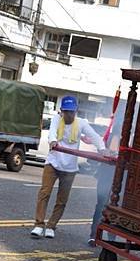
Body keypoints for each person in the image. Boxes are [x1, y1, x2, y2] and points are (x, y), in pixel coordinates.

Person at [31, 96, 106, 239]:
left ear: (76, 111)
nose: (69, 115)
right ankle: (39, 224)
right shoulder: (56, 119)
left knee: (62, 199)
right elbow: (52, 132)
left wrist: (101, 149)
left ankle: (51, 226)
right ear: (61, 111)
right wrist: (53, 141)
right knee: (44, 193)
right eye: (66, 112)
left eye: (71, 112)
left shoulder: (81, 123)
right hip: (53, 162)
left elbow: (95, 137)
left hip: (70, 167)